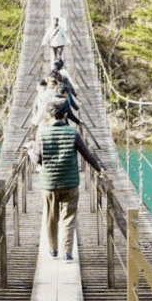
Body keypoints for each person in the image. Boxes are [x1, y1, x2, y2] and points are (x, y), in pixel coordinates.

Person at [37, 99, 104, 262]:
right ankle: (67, 252)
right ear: (66, 115)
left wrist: (29, 149)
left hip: (49, 184)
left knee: (51, 217)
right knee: (68, 218)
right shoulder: (73, 133)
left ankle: (53, 250)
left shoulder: (42, 133)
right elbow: (87, 154)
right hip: (70, 183)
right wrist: (100, 170)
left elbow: (38, 159)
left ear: (48, 115)